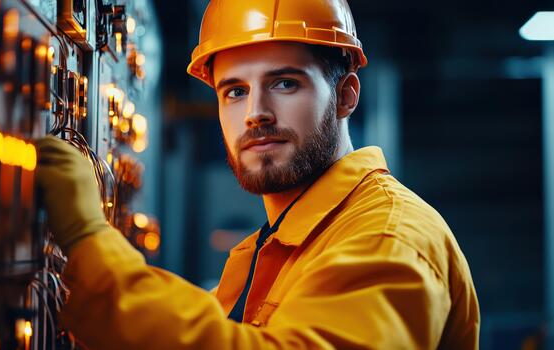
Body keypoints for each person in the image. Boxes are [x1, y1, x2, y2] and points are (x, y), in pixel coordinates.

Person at [35, 0, 480, 348]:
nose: (255, 114)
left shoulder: (388, 239)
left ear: (345, 96)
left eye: (285, 83)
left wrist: (89, 240)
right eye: (235, 91)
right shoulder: (280, 246)